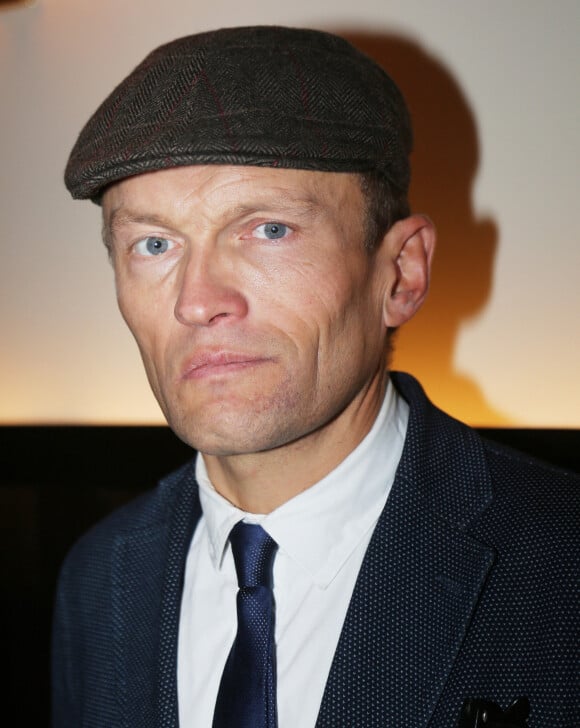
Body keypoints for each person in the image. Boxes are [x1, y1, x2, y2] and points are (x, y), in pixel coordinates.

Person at [52, 26, 578, 728]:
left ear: (401, 272)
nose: (197, 299)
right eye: (153, 244)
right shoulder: (99, 578)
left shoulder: (560, 562)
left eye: (268, 229)